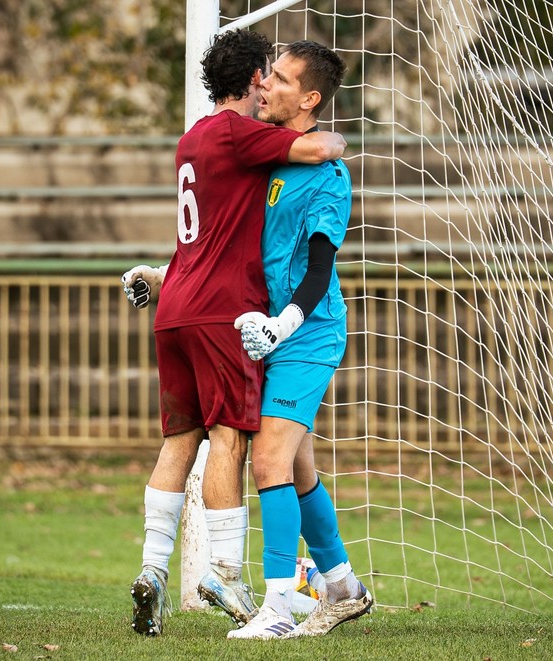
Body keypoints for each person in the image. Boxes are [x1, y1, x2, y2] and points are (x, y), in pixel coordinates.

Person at [120, 30, 345, 637]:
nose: (269, 85)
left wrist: (156, 274)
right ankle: (229, 572)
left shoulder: (190, 141)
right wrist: (335, 136)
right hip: (229, 315)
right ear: (251, 82)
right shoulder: (244, 136)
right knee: (235, 444)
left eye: (283, 78)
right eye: (267, 76)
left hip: (178, 304)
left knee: (184, 444)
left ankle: (152, 570)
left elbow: (211, 226)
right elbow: (322, 145)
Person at [227, 41, 373, 640]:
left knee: (269, 460)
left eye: (282, 80)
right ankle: (342, 588)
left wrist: (283, 324)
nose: (267, 87)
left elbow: (318, 272)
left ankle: (278, 610)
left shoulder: (329, 178)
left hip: (306, 334)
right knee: (298, 467)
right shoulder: (266, 157)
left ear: (310, 98)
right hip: (263, 331)